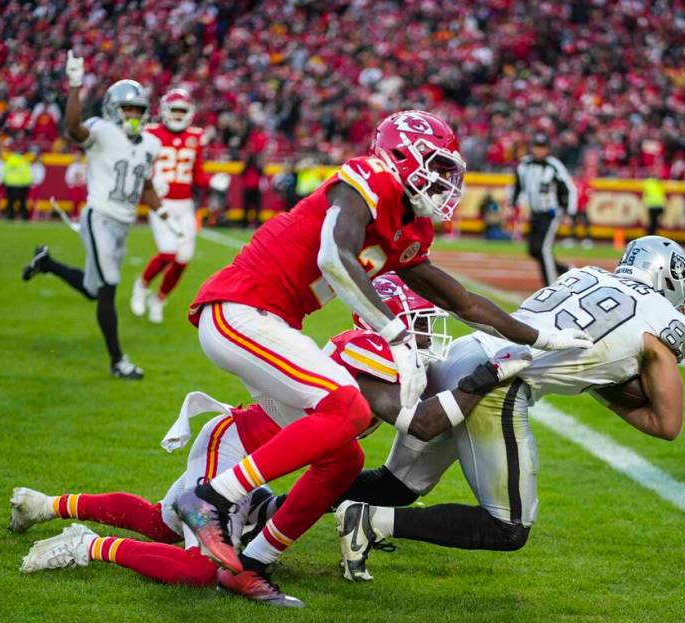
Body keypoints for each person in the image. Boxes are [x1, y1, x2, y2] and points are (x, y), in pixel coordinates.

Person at [172, 110, 591, 598]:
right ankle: (209, 498)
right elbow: (334, 254)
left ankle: (251, 562)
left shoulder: (408, 228)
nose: (442, 182)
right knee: (347, 407)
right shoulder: (370, 176)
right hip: (239, 307)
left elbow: (464, 302)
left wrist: (539, 338)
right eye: (435, 165)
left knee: (342, 458)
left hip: (272, 322)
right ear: (400, 155)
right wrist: (395, 334)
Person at [11, 274, 531, 607]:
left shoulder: (389, 357)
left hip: (256, 452)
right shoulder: (369, 351)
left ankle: (46, 504)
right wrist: (482, 380)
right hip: (235, 445)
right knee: (195, 569)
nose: (426, 333)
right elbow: (417, 423)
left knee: (161, 520)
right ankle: (87, 546)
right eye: (419, 321)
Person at [334, 236, 685, 581]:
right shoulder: (664, 320)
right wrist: (602, 387)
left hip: (461, 351)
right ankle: (370, 522)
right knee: (508, 527)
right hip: (497, 380)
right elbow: (667, 424)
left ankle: (278, 510)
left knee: (396, 485)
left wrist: (594, 376)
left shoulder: (584, 274)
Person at [21, 51, 169, 379]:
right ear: (113, 110)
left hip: (123, 223)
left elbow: (144, 183)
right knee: (109, 287)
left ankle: (46, 263)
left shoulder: (150, 145)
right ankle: (118, 361)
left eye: (137, 110)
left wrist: (163, 211)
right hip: (99, 216)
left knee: (93, 288)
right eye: (127, 109)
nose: (132, 115)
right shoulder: (101, 131)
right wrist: (75, 85)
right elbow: (73, 127)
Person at [131, 88, 212, 324]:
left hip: (185, 205)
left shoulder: (195, 137)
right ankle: (142, 284)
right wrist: (150, 179)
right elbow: (137, 165)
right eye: (174, 110)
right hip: (161, 203)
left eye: (181, 111)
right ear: (165, 111)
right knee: (168, 252)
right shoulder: (150, 133)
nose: (177, 115)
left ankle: (159, 299)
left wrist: (213, 181)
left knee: (183, 258)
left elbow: (198, 176)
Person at [511, 133, 578, 285]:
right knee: (533, 250)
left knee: (543, 249)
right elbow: (517, 187)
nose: (539, 151)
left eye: (542, 147)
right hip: (535, 213)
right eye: (536, 147)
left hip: (551, 213)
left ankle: (550, 286)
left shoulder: (554, 165)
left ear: (548, 149)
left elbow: (569, 189)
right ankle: (565, 270)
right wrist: (512, 205)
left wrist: (569, 213)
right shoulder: (524, 165)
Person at [2, 146, 32, 220]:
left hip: (10, 184)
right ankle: (25, 216)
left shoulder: (9, 160)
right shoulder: (24, 161)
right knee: (22, 201)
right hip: (21, 185)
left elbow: (4, 172)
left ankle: (10, 216)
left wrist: (5, 182)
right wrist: (27, 185)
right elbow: (27, 173)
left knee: (10, 202)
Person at [239, 152, 263, 227]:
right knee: (247, 207)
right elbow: (241, 174)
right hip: (249, 189)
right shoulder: (247, 168)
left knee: (256, 207)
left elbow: (262, 173)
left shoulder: (257, 168)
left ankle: (253, 223)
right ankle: (245, 223)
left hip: (254, 189)